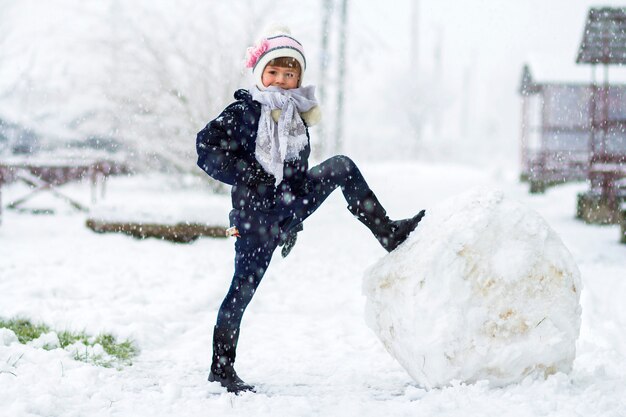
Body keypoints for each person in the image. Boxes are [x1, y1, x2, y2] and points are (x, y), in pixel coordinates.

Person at [196, 26, 425, 394]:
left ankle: (388, 232)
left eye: (290, 74)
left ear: (298, 78)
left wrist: (293, 221)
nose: (282, 81)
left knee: (342, 166)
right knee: (241, 292)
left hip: (289, 206)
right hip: (255, 218)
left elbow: (295, 170)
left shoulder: (297, 115)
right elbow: (205, 149)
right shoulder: (243, 112)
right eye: (274, 72)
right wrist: (248, 172)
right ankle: (221, 369)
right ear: (260, 73)